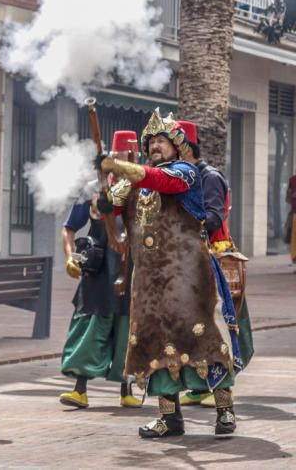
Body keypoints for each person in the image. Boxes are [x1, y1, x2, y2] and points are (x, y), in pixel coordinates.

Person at [96, 109, 241, 439]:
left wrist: (119, 166)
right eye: (153, 142)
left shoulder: (185, 172)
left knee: (206, 341)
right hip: (150, 282)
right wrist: (103, 199)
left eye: (163, 141)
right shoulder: (135, 182)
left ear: (177, 147)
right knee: (155, 347)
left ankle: (225, 411)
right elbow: (105, 206)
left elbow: (161, 180)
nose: (157, 146)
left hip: (190, 275)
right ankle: (169, 418)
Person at [58, 130, 141, 410]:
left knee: (127, 326)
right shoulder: (93, 188)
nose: (124, 160)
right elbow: (69, 228)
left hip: (132, 265)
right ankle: (79, 389)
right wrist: (70, 257)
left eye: (129, 157)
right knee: (91, 326)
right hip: (99, 267)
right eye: (119, 156)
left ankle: (126, 387)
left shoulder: (143, 189)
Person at [176, 120, 254, 409]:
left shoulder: (208, 177)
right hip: (191, 259)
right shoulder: (184, 178)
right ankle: (199, 385)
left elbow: (213, 216)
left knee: (217, 325)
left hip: (213, 260)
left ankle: (219, 386)